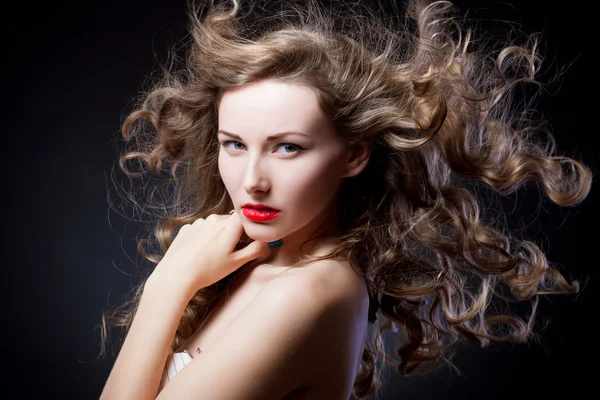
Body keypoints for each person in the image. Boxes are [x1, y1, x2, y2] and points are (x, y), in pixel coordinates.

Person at [96, 0, 592, 399]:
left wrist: (168, 285)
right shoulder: (254, 266)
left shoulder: (313, 291)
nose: (252, 180)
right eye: (234, 144)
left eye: (287, 147)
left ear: (354, 155)